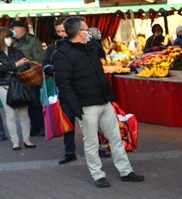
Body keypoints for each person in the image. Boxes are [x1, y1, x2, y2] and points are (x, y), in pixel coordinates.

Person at [53, 17, 145, 188]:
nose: (89, 32)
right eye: (86, 29)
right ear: (79, 32)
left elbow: (100, 65)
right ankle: (98, 175)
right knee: (92, 142)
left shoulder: (90, 47)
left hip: (104, 100)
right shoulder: (62, 54)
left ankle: (126, 171)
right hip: (85, 105)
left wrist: (110, 96)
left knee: (116, 137)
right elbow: (63, 84)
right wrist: (75, 107)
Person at [0, 26, 36, 150]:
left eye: (10, 36)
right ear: (0, 38)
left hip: (20, 85)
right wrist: (16, 64)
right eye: (7, 36)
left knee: (24, 114)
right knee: (10, 116)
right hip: (4, 87)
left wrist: (10, 68)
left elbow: (25, 66)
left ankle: (27, 140)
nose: (10, 39)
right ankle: (15, 142)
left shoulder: (16, 51)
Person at [43, 17, 79, 164]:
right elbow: (45, 64)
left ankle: (101, 147)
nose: (61, 34)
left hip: (83, 90)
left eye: (63, 31)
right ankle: (69, 151)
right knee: (68, 122)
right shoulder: (54, 47)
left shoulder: (81, 44)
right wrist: (51, 69)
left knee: (92, 122)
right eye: (58, 31)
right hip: (64, 90)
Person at [9, 20, 45, 137]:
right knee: (26, 103)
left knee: (35, 102)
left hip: (31, 76)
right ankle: (33, 127)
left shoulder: (33, 41)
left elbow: (39, 59)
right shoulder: (13, 42)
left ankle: (41, 126)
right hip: (19, 77)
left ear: (22, 29)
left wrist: (30, 69)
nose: (12, 31)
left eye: (14, 29)